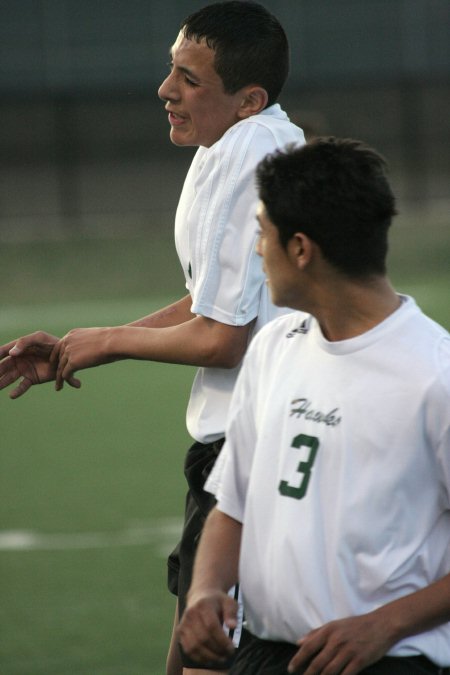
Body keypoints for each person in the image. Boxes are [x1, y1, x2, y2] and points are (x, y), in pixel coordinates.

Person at [0, 2, 305, 673]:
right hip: (236, 455)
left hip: (253, 457)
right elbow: (210, 302)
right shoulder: (232, 144)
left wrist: (108, 342)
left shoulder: (249, 154)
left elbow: (224, 338)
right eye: (172, 70)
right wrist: (84, 342)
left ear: (248, 99)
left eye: (190, 80)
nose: (167, 90)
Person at [177, 137, 450, 675]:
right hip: (261, 654)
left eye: (262, 232)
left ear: (301, 249)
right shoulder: (274, 350)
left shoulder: (435, 374)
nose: (257, 249)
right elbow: (233, 503)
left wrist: (386, 623)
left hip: (386, 661)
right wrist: (206, 590)